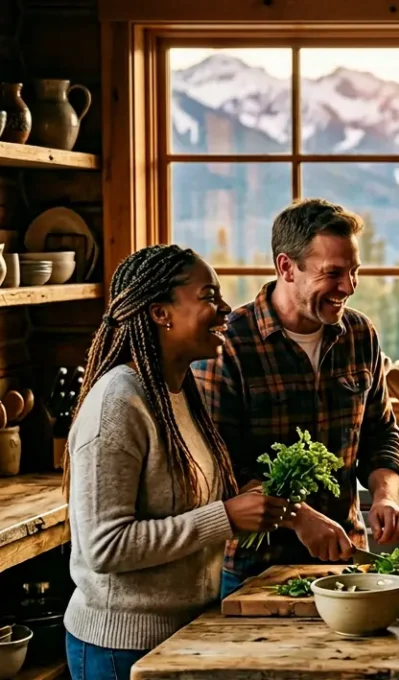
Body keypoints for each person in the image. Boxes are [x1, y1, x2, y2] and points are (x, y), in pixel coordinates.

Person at [62, 246, 289, 680]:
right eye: (208, 295)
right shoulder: (117, 404)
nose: (224, 308)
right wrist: (224, 517)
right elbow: (104, 548)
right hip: (119, 648)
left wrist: (243, 500)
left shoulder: (179, 391)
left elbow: (184, 500)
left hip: (181, 635)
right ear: (161, 313)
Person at [195, 198, 399, 598]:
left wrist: (386, 496)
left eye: (354, 271)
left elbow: (381, 435)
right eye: (332, 274)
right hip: (254, 573)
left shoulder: (360, 334)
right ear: (286, 267)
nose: (347, 287)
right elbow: (216, 468)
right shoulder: (228, 344)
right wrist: (296, 516)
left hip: (345, 562)